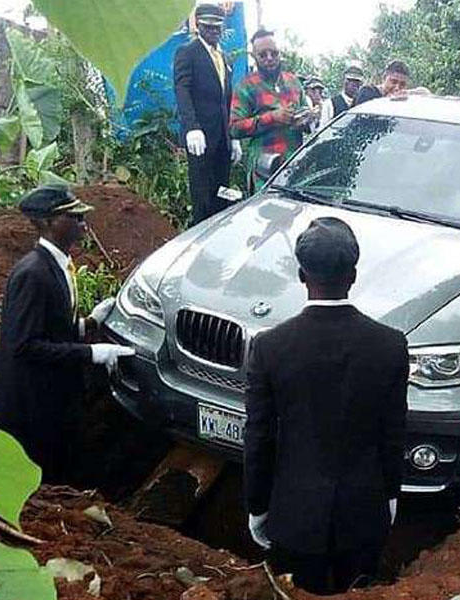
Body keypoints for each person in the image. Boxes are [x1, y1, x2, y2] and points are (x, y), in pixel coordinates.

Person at [244, 217, 408, 595]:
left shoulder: (271, 347)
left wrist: (257, 506)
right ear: (353, 275)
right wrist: (391, 494)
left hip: (293, 517)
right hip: (364, 513)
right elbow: (393, 432)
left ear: (302, 276)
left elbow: (259, 438)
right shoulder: (389, 345)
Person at [0, 185, 134, 480]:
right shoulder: (32, 274)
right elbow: (25, 346)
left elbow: (50, 328)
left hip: (56, 399)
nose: (83, 224)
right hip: (34, 407)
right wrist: (92, 353)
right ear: (47, 223)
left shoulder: (58, 265)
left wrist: (89, 324)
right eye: (74, 217)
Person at [174, 3, 241, 225]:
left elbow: (226, 99)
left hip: (222, 136)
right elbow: (182, 90)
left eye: (217, 28)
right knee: (202, 193)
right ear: (199, 26)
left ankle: (219, 231)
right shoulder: (188, 52)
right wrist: (192, 127)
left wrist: (234, 135)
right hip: (200, 137)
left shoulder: (224, 57)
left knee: (221, 190)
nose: (213, 32)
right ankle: (201, 237)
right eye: (208, 27)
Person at [230, 29, 308, 192]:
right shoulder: (246, 86)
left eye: (274, 53)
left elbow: (304, 115)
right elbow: (234, 128)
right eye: (263, 55)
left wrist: (306, 120)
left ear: (280, 53)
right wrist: (272, 118)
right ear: (254, 57)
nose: (269, 58)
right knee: (265, 215)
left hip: (294, 167)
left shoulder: (293, 82)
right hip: (264, 171)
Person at [319, 62, 365, 127]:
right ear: (344, 81)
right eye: (350, 80)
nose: (353, 84)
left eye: (356, 81)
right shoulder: (330, 104)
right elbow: (323, 128)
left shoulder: (363, 104)